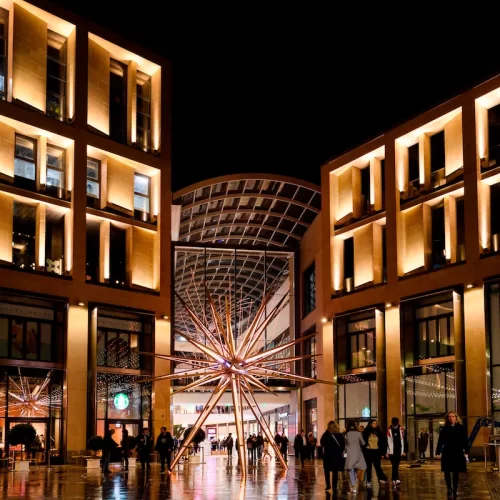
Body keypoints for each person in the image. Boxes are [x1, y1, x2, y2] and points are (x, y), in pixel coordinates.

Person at [436, 411, 469, 498]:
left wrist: (466, 451)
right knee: (447, 471)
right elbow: (440, 441)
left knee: (455, 472)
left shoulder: (461, 428)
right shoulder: (444, 429)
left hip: (457, 452)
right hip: (447, 452)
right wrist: (438, 452)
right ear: (447, 418)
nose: (451, 418)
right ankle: (449, 488)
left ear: (456, 418)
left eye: (453, 416)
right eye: (449, 417)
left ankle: (455, 489)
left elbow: (465, 440)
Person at [320, 420, 345, 492]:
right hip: (337, 455)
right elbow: (343, 445)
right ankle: (334, 485)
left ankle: (328, 484)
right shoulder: (339, 435)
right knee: (335, 471)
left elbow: (322, 443)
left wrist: (328, 446)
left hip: (328, 455)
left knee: (327, 470)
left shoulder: (326, 434)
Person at [362, 419, 388, 487]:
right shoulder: (367, 431)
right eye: (373, 423)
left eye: (376, 423)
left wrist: (382, 453)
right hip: (368, 451)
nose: (375, 424)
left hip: (376, 451)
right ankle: (368, 480)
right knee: (369, 466)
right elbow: (363, 441)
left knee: (377, 466)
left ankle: (381, 478)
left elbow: (382, 442)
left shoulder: (378, 432)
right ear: (370, 424)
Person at [344, 420, 366, 493]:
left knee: (351, 470)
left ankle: (353, 486)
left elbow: (345, 444)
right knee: (356, 468)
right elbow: (363, 443)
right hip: (358, 453)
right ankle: (354, 483)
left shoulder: (346, 434)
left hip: (350, 453)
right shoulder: (358, 433)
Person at [386, 417, 406, 488]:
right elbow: (386, 442)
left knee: (396, 465)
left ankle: (395, 479)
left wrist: (404, 451)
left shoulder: (401, 430)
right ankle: (395, 479)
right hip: (391, 451)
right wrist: (386, 452)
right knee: (394, 465)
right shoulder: (389, 430)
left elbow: (404, 440)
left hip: (399, 450)